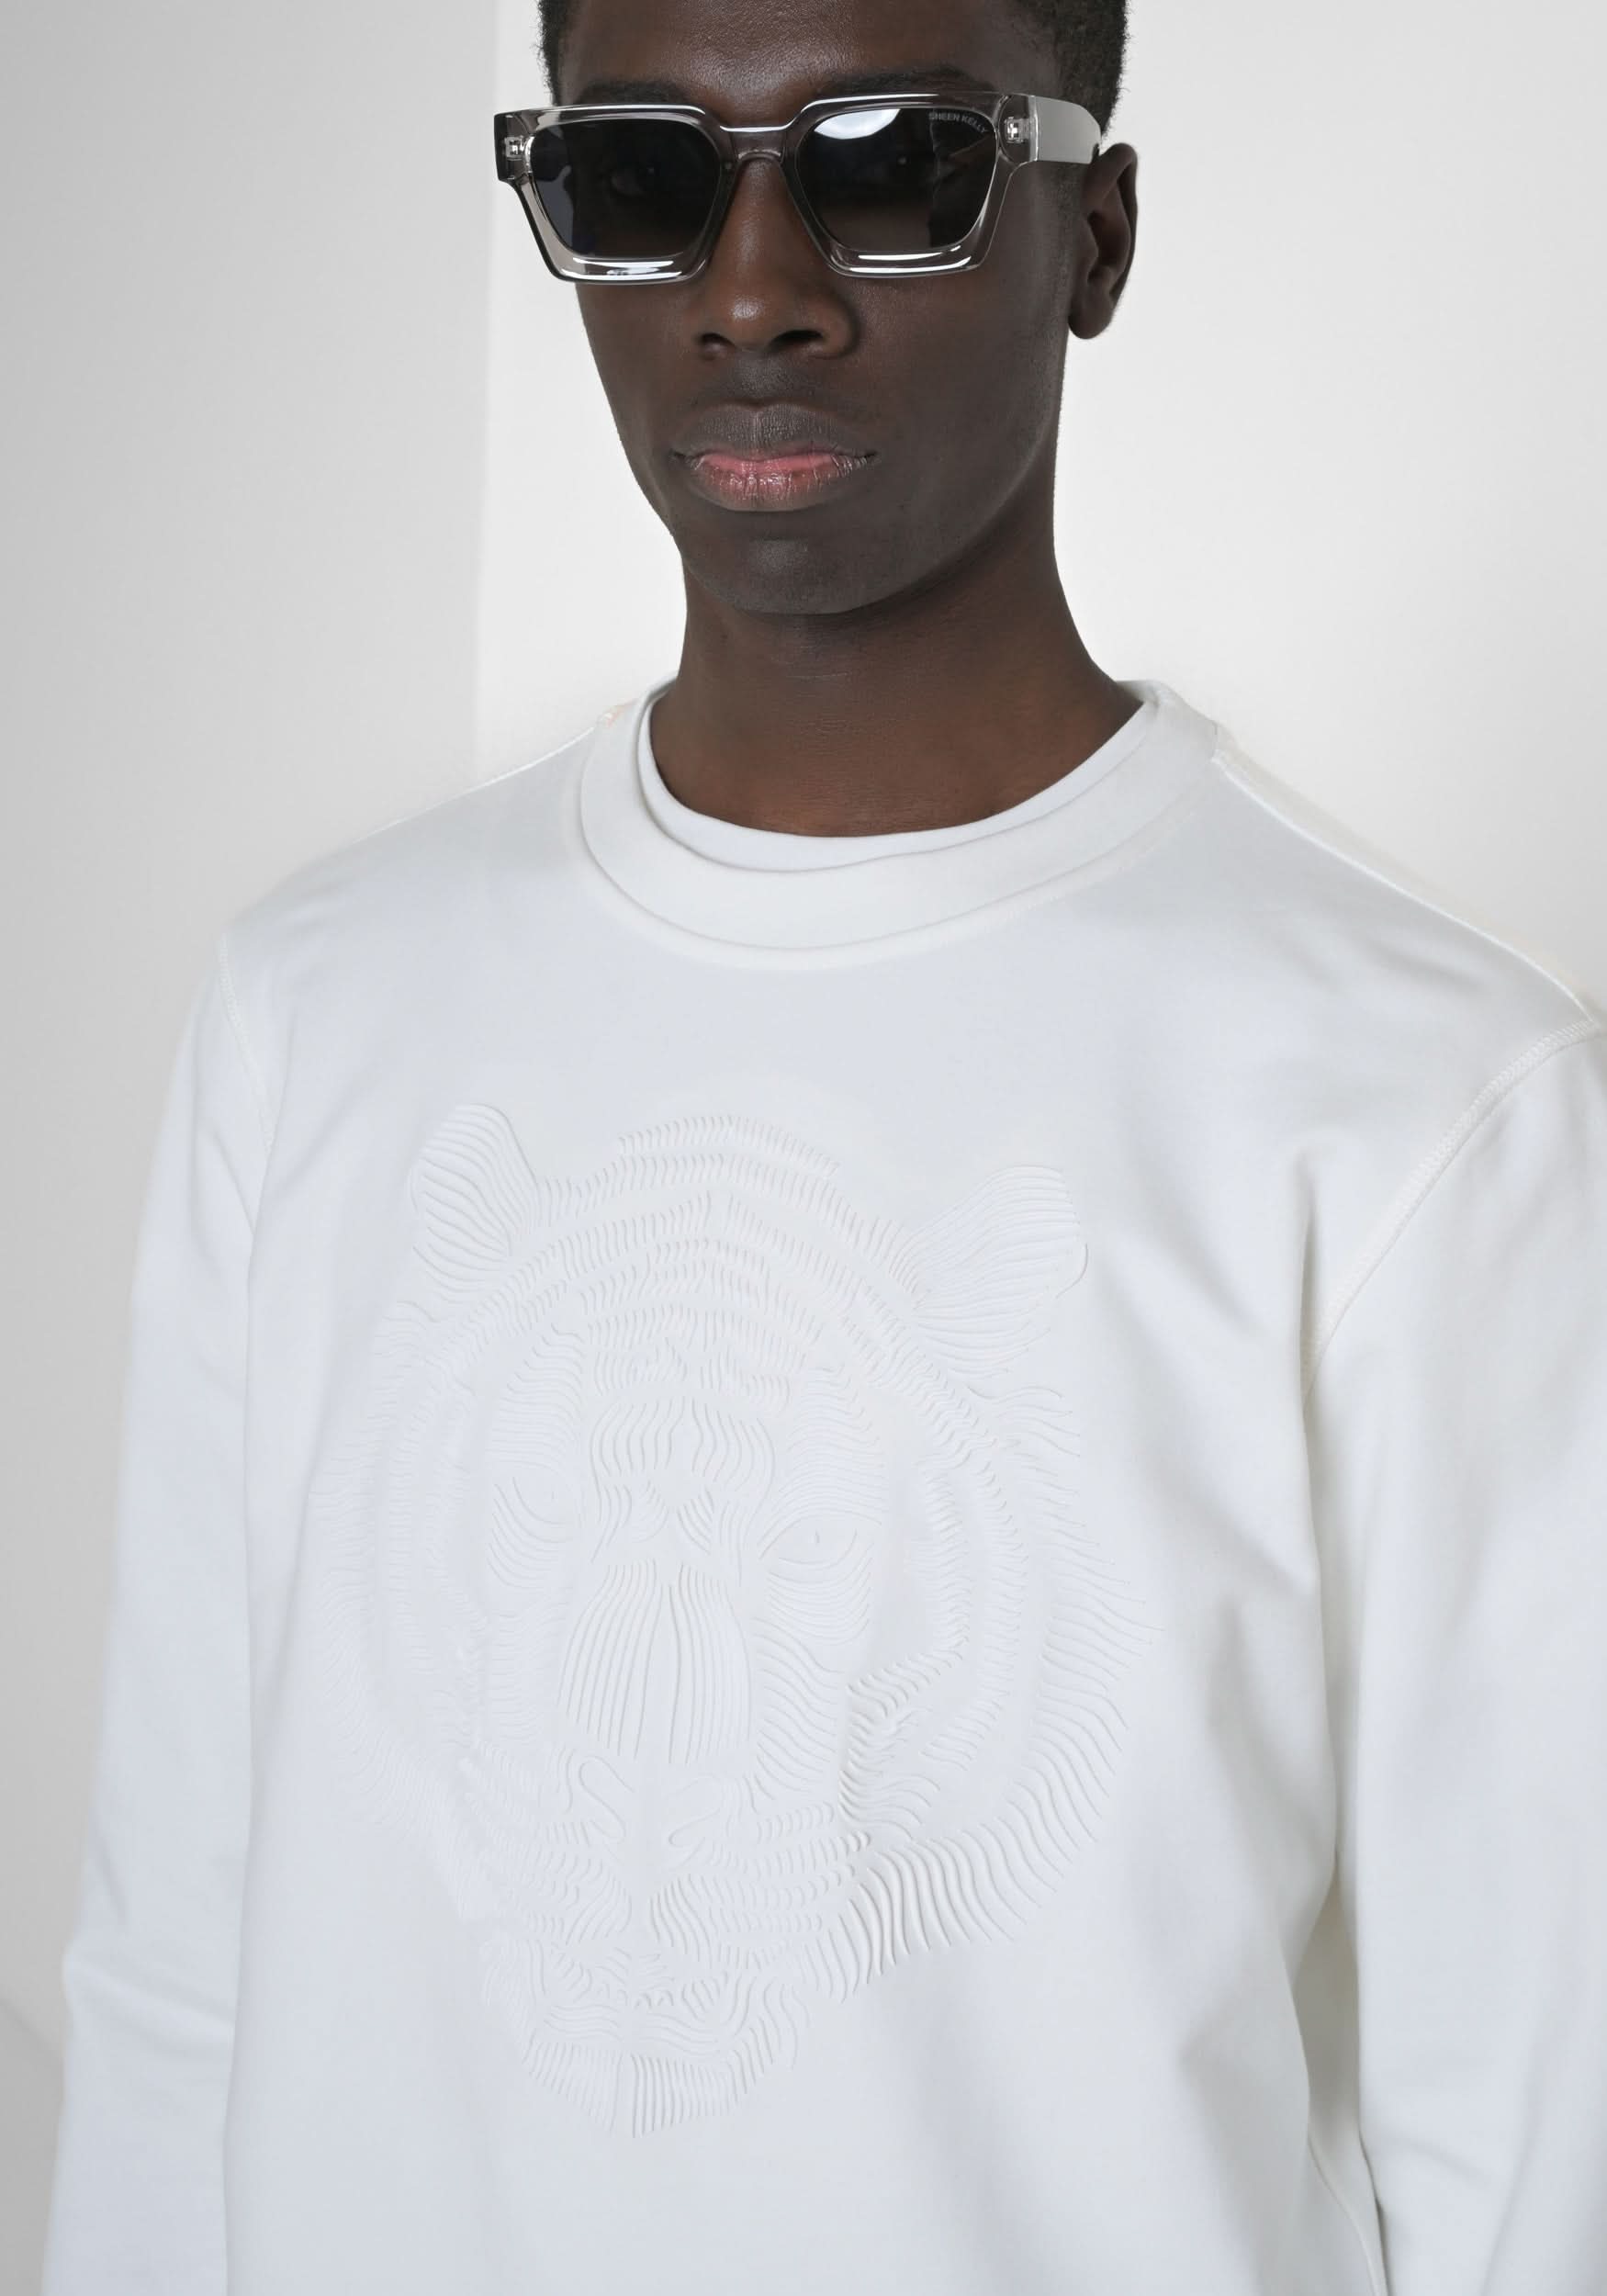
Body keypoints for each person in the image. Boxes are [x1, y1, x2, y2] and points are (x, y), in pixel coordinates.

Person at [39, 0, 1607, 2290]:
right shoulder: (316, 1011)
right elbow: (181, 1984)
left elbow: (1536, 2143)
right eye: (639, 178)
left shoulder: (1425, 1103)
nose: (751, 290)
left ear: (1095, 231)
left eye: (888, 165)